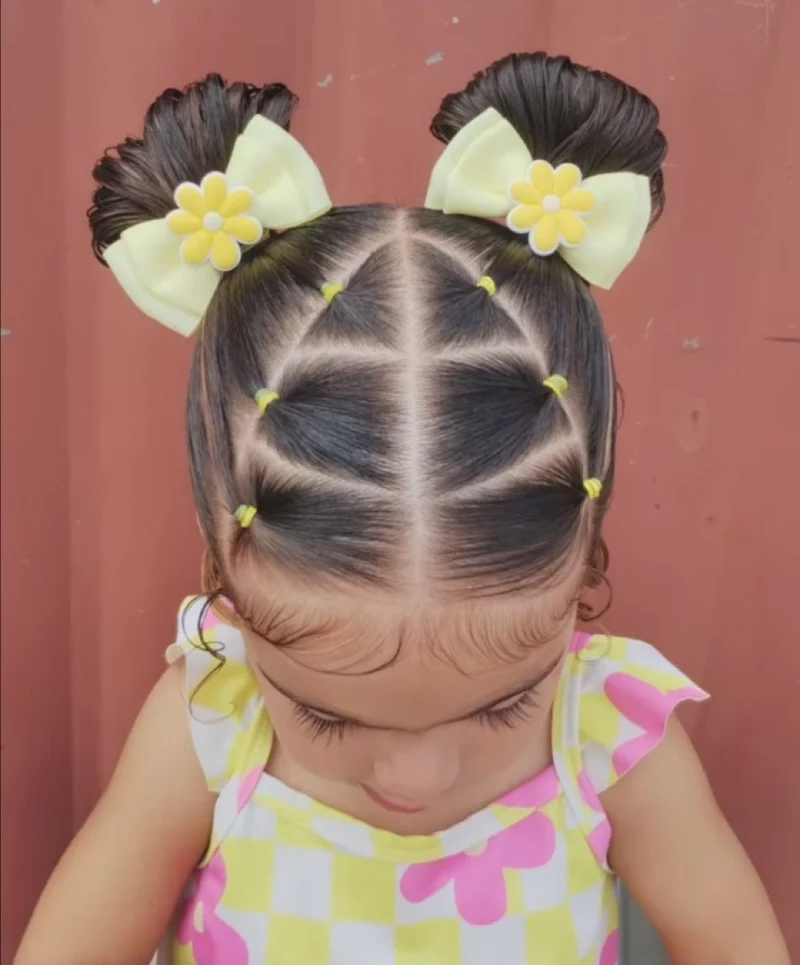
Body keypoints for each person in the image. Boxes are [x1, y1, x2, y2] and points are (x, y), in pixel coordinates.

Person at [16, 52, 788, 965]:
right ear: (224, 580)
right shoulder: (211, 725)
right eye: (330, 718)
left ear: (585, 566)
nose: (413, 778)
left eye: (504, 706)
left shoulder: (611, 736)